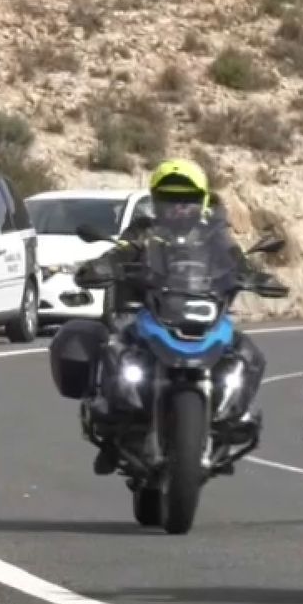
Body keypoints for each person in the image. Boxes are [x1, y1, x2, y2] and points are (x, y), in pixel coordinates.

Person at [82, 159, 269, 475]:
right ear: (156, 200)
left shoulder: (215, 237)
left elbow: (237, 262)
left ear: (202, 201)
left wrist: (258, 277)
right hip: (153, 310)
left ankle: (231, 417)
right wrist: (105, 265)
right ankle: (111, 424)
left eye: (187, 200)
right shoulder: (144, 231)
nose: (178, 208)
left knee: (248, 353)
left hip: (203, 311)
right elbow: (123, 250)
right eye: (170, 200)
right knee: (114, 347)